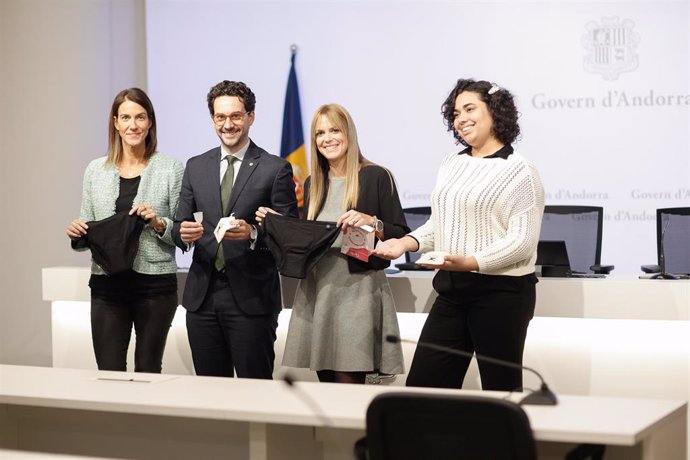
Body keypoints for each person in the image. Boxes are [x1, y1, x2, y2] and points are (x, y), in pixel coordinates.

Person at [373, 79, 545, 391]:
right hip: (452, 292)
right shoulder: (452, 163)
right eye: (455, 113)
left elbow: (522, 242)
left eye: (469, 109)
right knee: (424, 389)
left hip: (502, 296)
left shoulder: (520, 170)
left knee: (501, 392)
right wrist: (404, 243)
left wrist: (470, 261)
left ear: (495, 111)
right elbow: (440, 225)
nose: (460, 118)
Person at [257, 103, 408, 384]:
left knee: (349, 386)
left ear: (348, 132)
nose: (327, 138)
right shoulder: (314, 182)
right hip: (318, 290)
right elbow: (309, 238)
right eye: (320, 133)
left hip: (357, 293)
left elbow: (400, 232)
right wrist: (279, 224)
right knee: (325, 386)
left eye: (334, 130)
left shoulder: (376, 176)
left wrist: (371, 221)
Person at [173, 80, 298, 379]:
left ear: (250, 117)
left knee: (255, 393)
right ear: (213, 119)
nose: (228, 124)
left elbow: (289, 233)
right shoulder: (195, 166)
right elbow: (179, 223)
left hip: (251, 300)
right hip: (201, 298)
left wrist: (254, 234)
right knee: (210, 394)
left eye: (236, 116)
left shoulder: (275, 168)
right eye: (220, 117)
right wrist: (182, 234)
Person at [66, 88, 183, 373]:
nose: (133, 125)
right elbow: (89, 230)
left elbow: (183, 234)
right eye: (126, 118)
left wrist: (158, 222)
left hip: (155, 287)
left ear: (150, 122)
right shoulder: (95, 170)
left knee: (148, 370)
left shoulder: (171, 168)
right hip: (107, 286)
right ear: (115, 123)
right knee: (108, 372)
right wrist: (77, 233)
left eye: (140, 117)